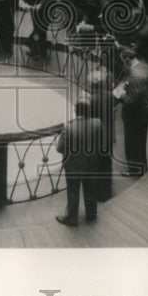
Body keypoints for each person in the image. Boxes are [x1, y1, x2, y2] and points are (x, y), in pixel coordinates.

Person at [55, 97, 104, 227]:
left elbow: (60, 149)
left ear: (76, 110)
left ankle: (71, 218)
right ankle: (91, 214)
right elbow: (101, 144)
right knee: (90, 189)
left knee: (73, 192)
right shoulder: (97, 123)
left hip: (73, 166)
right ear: (89, 110)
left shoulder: (69, 127)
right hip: (91, 164)